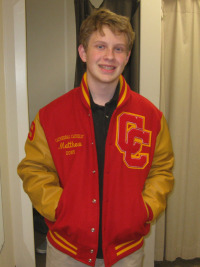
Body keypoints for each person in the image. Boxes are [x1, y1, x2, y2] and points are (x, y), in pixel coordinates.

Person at [17, 8, 174, 267]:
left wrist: (144, 209)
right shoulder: (50, 116)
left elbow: (162, 170)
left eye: (119, 49)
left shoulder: (152, 117)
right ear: (83, 52)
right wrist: (60, 208)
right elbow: (34, 169)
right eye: (100, 46)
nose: (109, 57)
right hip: (67, 252)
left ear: (127, 56)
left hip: (126, 253)